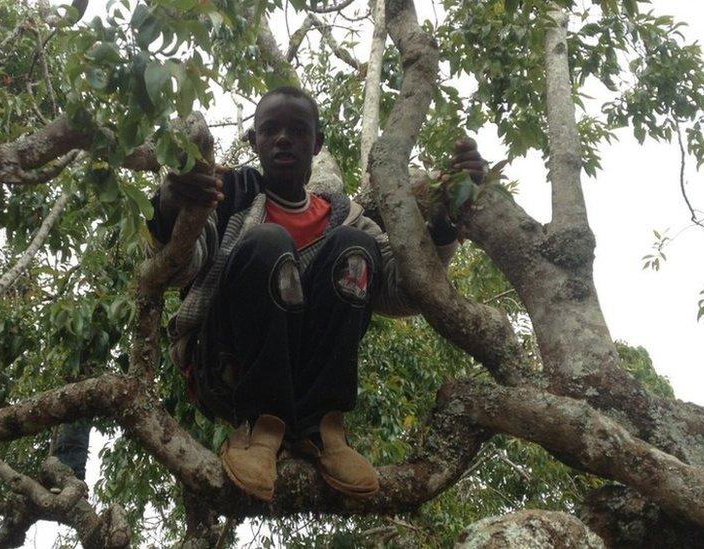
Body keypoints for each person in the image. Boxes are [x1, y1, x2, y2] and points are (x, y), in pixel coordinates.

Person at [145, 86, 486, 502]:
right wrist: (168, 205)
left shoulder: (344, 216)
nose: (283, 138)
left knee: (353, 248)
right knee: (269, 242)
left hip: (303, 375)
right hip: (226, 369)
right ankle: (258, 427)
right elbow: (182, 266)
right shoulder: (232, 193)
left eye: (297, 130)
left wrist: (446, 216)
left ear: (317, 143)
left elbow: (404, 288)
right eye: (270, 130)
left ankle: (323, 429)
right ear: (254, 142)